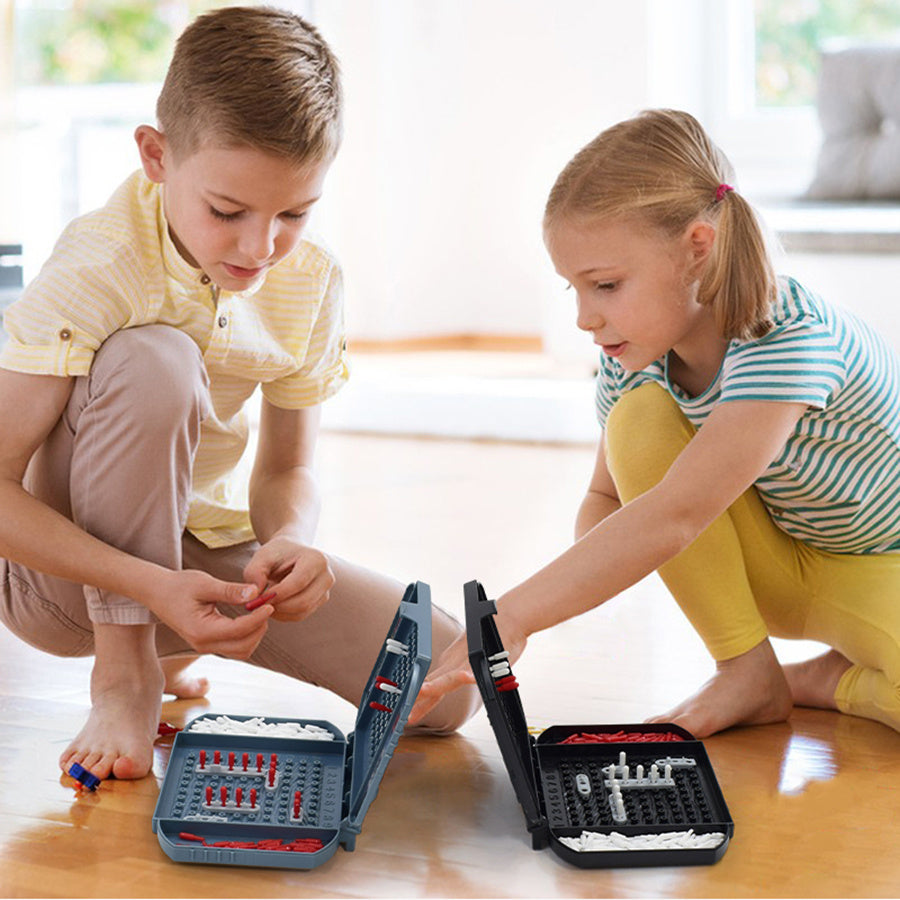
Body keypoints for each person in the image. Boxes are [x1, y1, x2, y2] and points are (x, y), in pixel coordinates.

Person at [0, 5, 476, 782]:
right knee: (156, 359)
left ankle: (172, 632)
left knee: (443, 685)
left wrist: (294, 538)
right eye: (226, 212)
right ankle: (125, 674)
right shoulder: (98, 265)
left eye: (293, 212)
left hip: (196, 549)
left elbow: (288, 469)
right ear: (157, 156)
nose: (259, 248)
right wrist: (149, 586)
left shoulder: (311, 279)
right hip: (56, 584)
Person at [410, 108, 900, 738]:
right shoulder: (635, 355)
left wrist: (516, 615)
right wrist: (592, 583)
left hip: (881, 563)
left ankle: (822, 680)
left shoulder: (789, 339)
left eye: (607, 285)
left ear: (697, 249)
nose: (586, 318)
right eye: (575, 290)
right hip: (783, 563)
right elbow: (608, 499)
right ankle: (747, 670)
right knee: (638, 422)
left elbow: (677, 515)